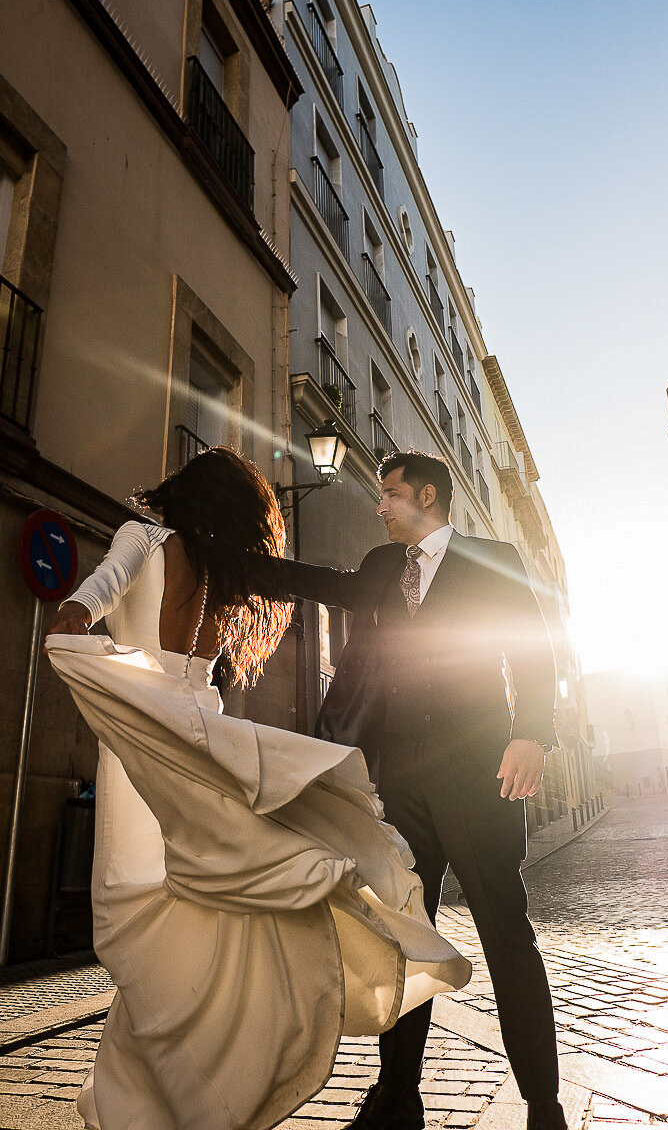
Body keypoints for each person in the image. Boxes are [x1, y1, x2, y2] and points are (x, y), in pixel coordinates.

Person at [45, 448, 470, 1130]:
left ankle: (153, 1087)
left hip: (149, 745)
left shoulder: (144, 537)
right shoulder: (228, 571)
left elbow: (103, 584)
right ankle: (208, 1075)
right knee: (209, 908)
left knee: (145, 906)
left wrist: (73, 614)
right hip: (207, 738)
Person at [278, 450, 567, 1130]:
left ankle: (544, 1108)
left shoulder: (490, 557)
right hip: (400, 781)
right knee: (406, 937)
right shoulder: (384, 568)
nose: (380, 505)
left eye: (390, 493)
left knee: (505, 933)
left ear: (426, 496)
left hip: (478, 774)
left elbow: (532, 648)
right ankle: (398, 1102)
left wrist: (533, 733)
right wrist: (225, 550)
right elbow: (323, 583)